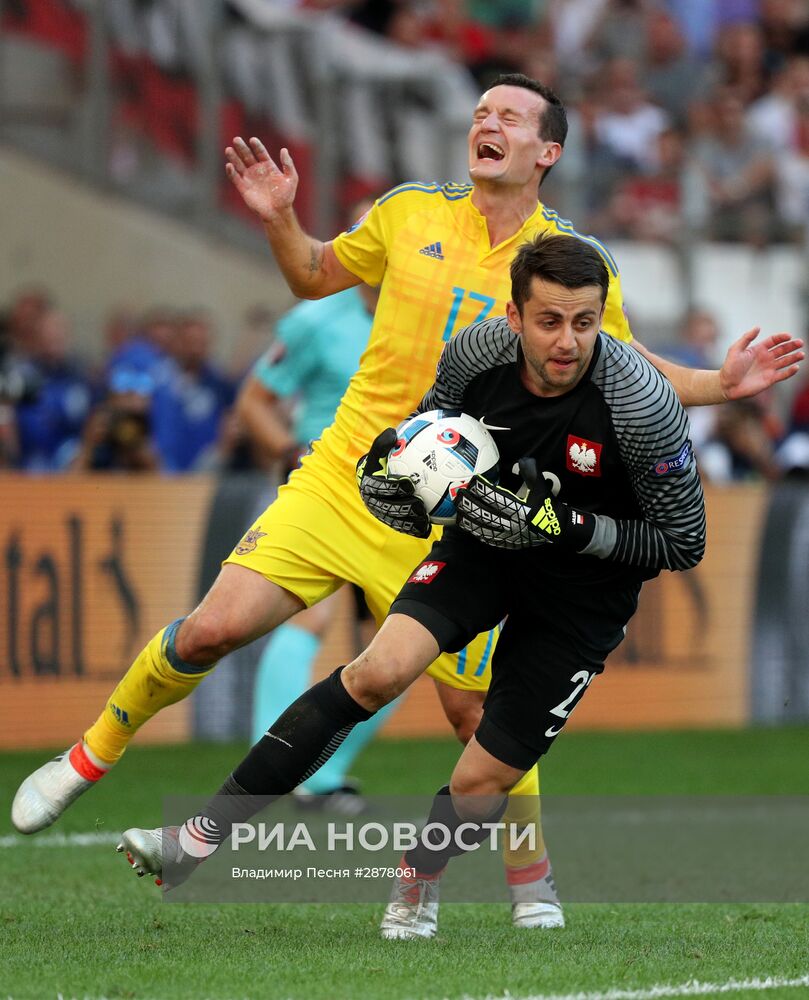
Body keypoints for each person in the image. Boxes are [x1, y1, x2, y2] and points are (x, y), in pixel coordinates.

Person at [12, 72, 802, 927]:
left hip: (459, 509)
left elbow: (627, 369)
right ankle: (86, 760)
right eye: (479, 112)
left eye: (508, 115)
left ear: (548, 152)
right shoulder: (408, 211)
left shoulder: (567, 262)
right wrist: (279, 216)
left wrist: (723, 384)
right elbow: (315, 275)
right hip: (350, 474)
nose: (485, 122)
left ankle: (526, 871)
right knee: (210, 628)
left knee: (475, 715)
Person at [116, 235, 707, 939]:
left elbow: (683, 542)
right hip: (483, 549)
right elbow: (429, 435)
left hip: (583, 595)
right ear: (513, 317)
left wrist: (562, 525)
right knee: (373, 672)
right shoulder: (474, 353)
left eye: (584, 322)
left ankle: (417, 874)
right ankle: (195, 839)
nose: (568, 341)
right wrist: (396, 467)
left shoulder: (641, 405)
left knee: (479, 784)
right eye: (548, 320)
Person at [238, 272, 395, 810]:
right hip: (327, 490)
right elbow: (254, 401)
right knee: (312, 618)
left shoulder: (432, 319)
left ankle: (321, 774)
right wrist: (289, 450)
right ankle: (273, 768)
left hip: (399, 503)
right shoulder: (315, 321)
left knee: (399, 646)